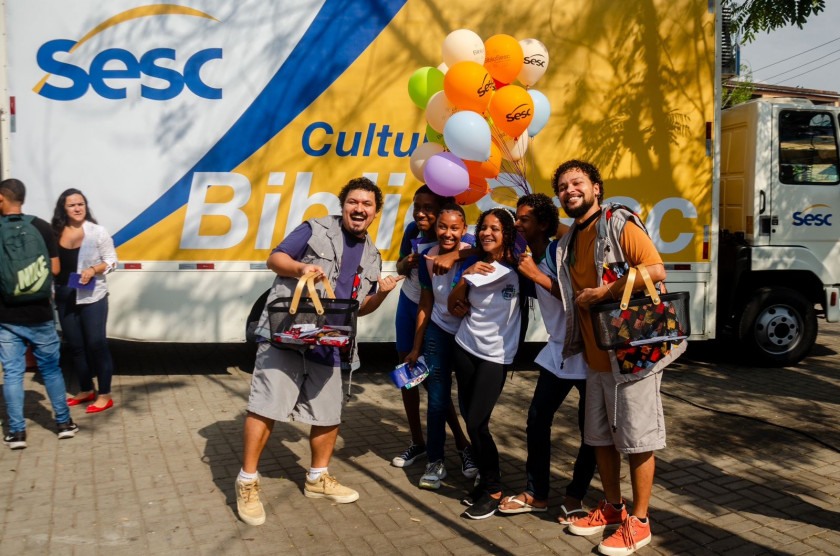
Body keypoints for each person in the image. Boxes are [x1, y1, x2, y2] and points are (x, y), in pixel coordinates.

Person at [235, 177, 402, 526]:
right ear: (343, 205)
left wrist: (383, 293)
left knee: (328, 412)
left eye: (367, 204)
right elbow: (275, 258)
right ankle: (247, 482)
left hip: (332, 341)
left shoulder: (373, 255)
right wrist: (300, 269)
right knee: (266, 406)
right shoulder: (315, 229)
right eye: (353, 202)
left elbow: (360, 308)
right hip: (288, 333)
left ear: (376, 212)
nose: (359, 209)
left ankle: (317, 478)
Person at [552, 160, 685, 555]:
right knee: (600, 438)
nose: (570, 190)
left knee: (637, 439)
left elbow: (655, 270)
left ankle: (639, 523)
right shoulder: (569, 241)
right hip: (596, 358)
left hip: (632, 354)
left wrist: (603, 293)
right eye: (562, 186)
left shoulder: (617, 223)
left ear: (596, 187)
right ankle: (612, 507)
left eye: (577, 182)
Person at [497, 193, 596, 523]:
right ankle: (537, 493)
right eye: (516, 217)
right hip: (558, 352)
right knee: (537, 421)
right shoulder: (527, 255)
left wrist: (537, 275)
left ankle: (575, 496)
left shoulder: (559, 252)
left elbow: (579, 297)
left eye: (524, 219)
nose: (517, 224)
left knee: (591, 431)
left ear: (542, 224)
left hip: (588, 354)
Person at [448, 208, 529, 520]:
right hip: (465, 347)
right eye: (483, 227)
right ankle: (485, 483)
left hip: (496, 355)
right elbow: (453, 304)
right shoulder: (475, 264)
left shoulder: (519, 267)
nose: (487, 233)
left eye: (495, 228)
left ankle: (494, 489)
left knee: (477, 422)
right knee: (471, 418)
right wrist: (466, 276)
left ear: (507, 233)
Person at [392, 186, 476, 480]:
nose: (420, 213)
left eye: (428, 208)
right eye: (417, 206)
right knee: (408, 374)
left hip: (438, 310)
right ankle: (418, 442)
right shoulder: (412, 230)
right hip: (411, 304)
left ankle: (463, 444)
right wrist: (407, 263)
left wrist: (455, 257)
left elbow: (480, 252)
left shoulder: (462, 237)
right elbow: (399, 265)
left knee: (434, 383)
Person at [0, 178, 78, 450]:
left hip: (6, 316)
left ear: (1, 199)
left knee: (12, 373)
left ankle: (17, 433)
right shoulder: (41, 226)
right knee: (51, 369)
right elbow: (55, 269)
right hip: (41, 313)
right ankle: (64, 424)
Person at [51, 189, 118, 413]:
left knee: (96, 344)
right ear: (63, 209)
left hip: (92, 295)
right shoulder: (55, 232)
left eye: (81, 204)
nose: (78, 208)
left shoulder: (97, 232)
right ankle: (86, 389)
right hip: (64, 295)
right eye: (72, 205)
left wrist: (93, 269)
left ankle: (105, 395)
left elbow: (112, 261)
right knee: (76, 347)